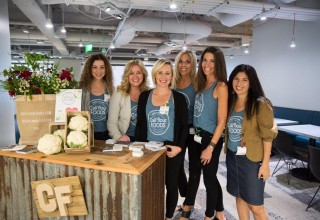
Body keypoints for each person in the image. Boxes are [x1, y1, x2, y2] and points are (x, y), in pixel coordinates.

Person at [135, 59, 188, 220]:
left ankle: (169, 216)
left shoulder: (178, 98)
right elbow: (140, 124)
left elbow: (185, 126)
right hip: (149, 148)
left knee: (171, 185)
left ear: (171, 76)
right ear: (155, 75)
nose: (163, 77)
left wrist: (179, 147)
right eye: (160, 73)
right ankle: (151, 213)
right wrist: (139, 147)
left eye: (167, 73)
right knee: (151, 185)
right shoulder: (145, 96)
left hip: (171, 148)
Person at [225, 64, 277, 220]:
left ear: (251, 82)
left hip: (251, 160)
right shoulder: (231, 101)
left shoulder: (260, 104)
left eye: (244, 80)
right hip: (233, 156)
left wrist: (265, 164)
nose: (239, 83)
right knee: (239, 197)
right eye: (236, 79)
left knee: (255, 206)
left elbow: (268, 137)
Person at [181, 46, 227, 220]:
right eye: (205, 60)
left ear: (218, 64)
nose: (207, 64)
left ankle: (210, 215)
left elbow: (221, 122)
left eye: (212, 61)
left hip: (210, 138)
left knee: (209, 179)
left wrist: (211, 147)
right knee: (196, 172)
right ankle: (219, 210)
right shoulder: (201, 83)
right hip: (196, 135)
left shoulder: (221, 86)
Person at [173, 50, 197, 208]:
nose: (184, 65)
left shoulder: (198, 83)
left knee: (194, 167)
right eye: (181, 61)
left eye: (188, 61)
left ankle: (189, 203)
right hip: (177, 130)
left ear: (193, 63)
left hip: (194, 129)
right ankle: (187, 194)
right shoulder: (173, 83)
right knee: (177, 166)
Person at [107, 60, 149, 142]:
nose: (135, 76)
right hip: (126, 139)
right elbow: (111, 122)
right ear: (127, 76)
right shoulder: (118, 95)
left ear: (143, 75)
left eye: (139, 73)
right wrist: (119, 137)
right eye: (131, 73)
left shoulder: (150, 94)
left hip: (146, 140)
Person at [79, 53, 114, 140]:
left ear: (106, 69)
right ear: (89, 69)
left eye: (102, 67)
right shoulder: (82, 89)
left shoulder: (111, 90)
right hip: (85, 134)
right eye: (94, 67)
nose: (99, 71)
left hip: (106, 135)